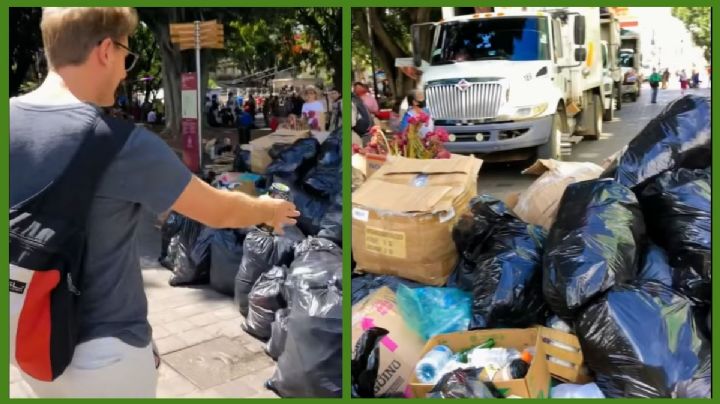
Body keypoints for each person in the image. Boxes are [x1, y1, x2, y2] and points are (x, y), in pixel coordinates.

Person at [9, 7, 299, 398]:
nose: (126, 71)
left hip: (27, 339)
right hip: (104, 357)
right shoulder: (120, 144)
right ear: (106, 51)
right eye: (127, 57)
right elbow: (217, 210)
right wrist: (268, 209)